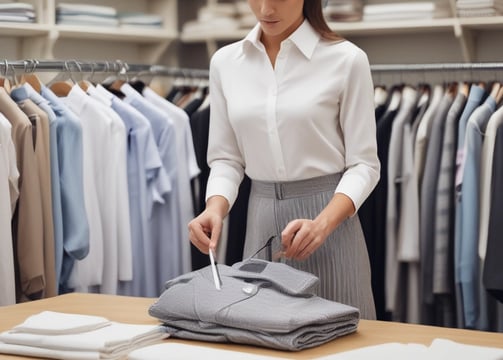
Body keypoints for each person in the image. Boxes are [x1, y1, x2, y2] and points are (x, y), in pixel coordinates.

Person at [188, 0, 380, 320]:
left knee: (345, 346)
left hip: (329, 225)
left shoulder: (347, 60)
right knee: (262, 338)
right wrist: (214, 208)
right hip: (260, 222)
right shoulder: (225, 63)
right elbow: (226, 158)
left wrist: (323, 224)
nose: (266, 9)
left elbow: (364, 165)